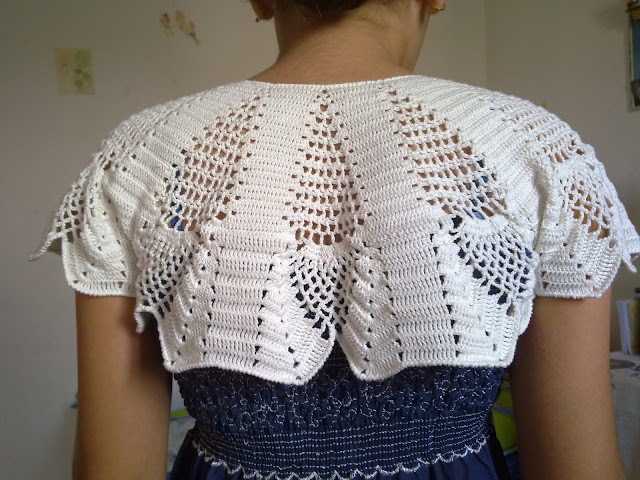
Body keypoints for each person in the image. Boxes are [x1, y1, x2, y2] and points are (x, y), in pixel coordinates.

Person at [31, 1, 639, 479]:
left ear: (260, 0)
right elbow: (577, 463)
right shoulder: (535, 148)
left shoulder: (140, 157)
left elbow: (113, 466)